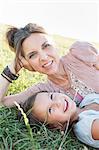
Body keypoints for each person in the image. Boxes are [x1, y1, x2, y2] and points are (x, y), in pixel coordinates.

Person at [0, 23, 99, 107]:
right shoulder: (43, 91)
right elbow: (2, 103)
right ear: (27, 64)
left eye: (46, 46)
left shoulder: (80, 51)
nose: (43, 57)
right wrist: (12, 69)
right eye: (32, 55)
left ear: (55, 45)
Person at [18, 91, 99, 148]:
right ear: (55, 126)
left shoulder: (89, 99)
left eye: (51, 96)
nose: (58, 102)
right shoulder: (85, 127)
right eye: (50, 110)